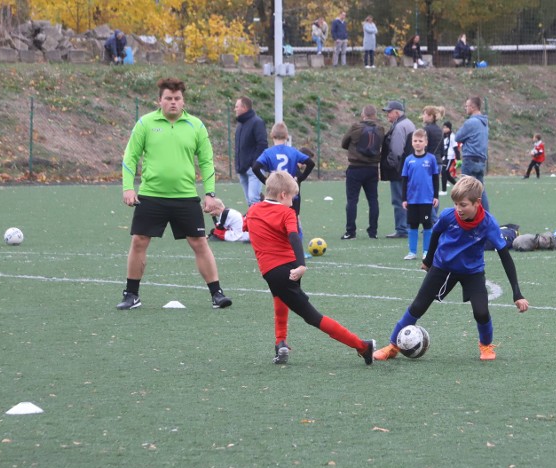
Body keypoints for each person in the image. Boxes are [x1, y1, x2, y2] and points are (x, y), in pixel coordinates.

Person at [373, 176, 528, 362]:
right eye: (456, 204)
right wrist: (428, 260)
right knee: (418, 306)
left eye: (463, 205)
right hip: (442, 267)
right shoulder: (448, 215)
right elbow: (436, 233)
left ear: (477, 203)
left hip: (473, 272)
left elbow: (505, 257)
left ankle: (486, 346)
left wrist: (517, 293)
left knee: (481, 311)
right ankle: (392, 346)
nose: (458, 209)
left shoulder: (488, 223)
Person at [118, 77, 231, 310]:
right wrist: (128, 188)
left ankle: (217, 294)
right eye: (168, 98)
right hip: (151, 195)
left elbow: (207, 162)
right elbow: (130, 157)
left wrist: (210, 194)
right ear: (159, 100)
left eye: (177, 99)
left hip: (185, 197)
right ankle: (131, 295)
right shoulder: (145, 124)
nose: (173, 102)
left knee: (199, 242)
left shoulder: (196, 126)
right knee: (139, 241)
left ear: (183, 101)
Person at [243, 171, 375, 366]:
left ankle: (362, 346)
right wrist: (300, 265)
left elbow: (245, 225)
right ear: (283, 196)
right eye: (293, 197)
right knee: (280, 299)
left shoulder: (253, 210)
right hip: (287, 270)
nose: (293, 202)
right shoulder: (287, 213)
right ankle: (280, 343)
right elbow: (294, 236)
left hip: (274, 272)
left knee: (311, 316)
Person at [341, 105, 383, 240]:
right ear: (375, 115)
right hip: (372, 168)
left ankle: (350, 231)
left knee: (352, 200)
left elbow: (343, 143)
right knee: (373, 200)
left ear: (363, 114)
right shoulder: (380, 129)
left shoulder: (355, 127)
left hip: (355, 167)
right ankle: (373, 231)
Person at [401, 129, 439, 260]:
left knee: (427, 225)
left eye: (420, 141)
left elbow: (435, 178)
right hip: (412, 199)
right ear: (412, 143)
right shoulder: (408, 160)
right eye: (415, 141)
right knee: (413, 225)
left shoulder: (431, 159)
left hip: (426, 199)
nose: (418, 143)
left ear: (426, 142)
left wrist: (436, 196)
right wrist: (404, 198)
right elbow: (405, 180)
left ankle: (427, 251)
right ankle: (412, 252)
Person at [381, 100, 415, 239]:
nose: (387, 115)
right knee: (409, 198)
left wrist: (389, 165)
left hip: (399, 170)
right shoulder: (409, 123)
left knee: (399, 199)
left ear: (396, 112)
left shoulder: (399, 127)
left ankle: (402, 228)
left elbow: (396, 151)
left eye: (389, 112)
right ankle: (408, 226)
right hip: (409, 168)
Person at [454, 96, 490, 210]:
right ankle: (486, 216)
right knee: (480, 190)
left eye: (467, 106)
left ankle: (462, 217)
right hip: (481, 160)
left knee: (463, 190)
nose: (465, 108)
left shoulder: (471, 122)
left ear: (473, 107)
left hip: (470, 159)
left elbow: (457, 137)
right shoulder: (484, 123)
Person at [234, 96, 268, 207]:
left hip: (254, 170)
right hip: (243, 169)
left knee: (254, 200)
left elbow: (262, 144)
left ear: (244, 108)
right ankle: (255, 222)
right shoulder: (240, 125)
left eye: (237, 106)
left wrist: (254, 164)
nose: (235, 109)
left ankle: (260, 223)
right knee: (250, 201)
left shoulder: (257, 122)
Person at [421, 105, 444, 223]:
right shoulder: (440, 130)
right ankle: (432, 218)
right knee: (435, 192)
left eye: (424, 114)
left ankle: (434, 220)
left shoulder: (427, 130)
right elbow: (442, 149)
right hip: (438, 162)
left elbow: (424, 148)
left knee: (426, 193)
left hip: (428, 163)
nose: (422, 116)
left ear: (430, 116)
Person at [440, 121, 460, 195]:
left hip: (449, 157)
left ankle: (444, 190)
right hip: (444, 157)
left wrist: (458, 158)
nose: (444, 129)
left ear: (449, 128)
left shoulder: (452, 136)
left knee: (444, 172)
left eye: (446, 127)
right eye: (443, 127)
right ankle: (459, 185)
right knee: (447, 174)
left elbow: (455, 148)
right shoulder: (443, 136)